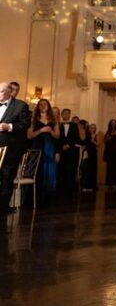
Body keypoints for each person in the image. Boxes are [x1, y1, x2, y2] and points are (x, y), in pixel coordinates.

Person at [0, 81, 30, 214]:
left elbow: (24, 124)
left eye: (1, 91)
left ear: (8, 91)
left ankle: (3, 208)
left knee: (6, 178)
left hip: (10, 149)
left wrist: (9, 127)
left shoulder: (21, 105)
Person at [27, 99, 60, 204]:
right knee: (37, 171)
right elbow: (29, 136)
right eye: (40, 104)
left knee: (48, 172)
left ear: (48, 106)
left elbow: (57, 136)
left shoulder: (53, 120)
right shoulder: (33, 119)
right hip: (37, 147)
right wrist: (41, 130)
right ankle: (34, 198)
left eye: (45, 104)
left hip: (49, 148)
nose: (43, 105)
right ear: (38, 106)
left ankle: (46, 198)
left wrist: (50, 131)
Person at [58, 108, 79, 196]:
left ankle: (70, 190)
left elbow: (76, 137)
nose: (66, 115)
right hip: (61, 151)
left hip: (71, 151)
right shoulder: (58, 125)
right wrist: (62, 146)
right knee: (61, 169)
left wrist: (69, 145)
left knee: (70, 170)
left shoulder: (74, 125)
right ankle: (61, 189)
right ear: (62, 115)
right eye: (64, 113)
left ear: (69, 115)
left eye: (68, 113)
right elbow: (58, 138)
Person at [81, 122, 99, 192]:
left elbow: (98, 144)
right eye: (91, 127)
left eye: (94, 128)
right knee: (85, 169)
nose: (92, 129)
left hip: (93, 154)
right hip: (86, 153)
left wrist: (93, 141)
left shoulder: (96, 135)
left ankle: (92, 186)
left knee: (92, 170)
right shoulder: (86, 135)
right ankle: (85, 185)